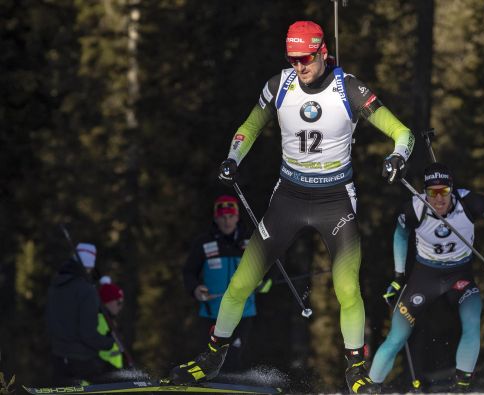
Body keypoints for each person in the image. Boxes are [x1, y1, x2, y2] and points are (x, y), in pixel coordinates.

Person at [170, 20, 414, 394]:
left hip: (335, 200)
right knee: (240, 284)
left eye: (306, 59)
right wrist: (233, 157)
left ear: (323, 53)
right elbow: (248, 127)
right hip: (289, 198)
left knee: (347, 287)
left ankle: (355, 370)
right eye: (293, 59)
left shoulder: (348, 87)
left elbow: (403, 133)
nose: (300, 67)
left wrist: (397, 156)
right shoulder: (278, 85)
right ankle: (212, 358)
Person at [368, 162, 484, 391]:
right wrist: (398, 277)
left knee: (472, 322)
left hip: (459, 275)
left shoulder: (470, 202)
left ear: (452, 190)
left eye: (444, 191)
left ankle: (461, 387)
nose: (439, 199)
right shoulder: (414, 208)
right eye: (432, 192)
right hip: (425, 276)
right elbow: (400, 235)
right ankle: (369, 388)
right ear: (425, 192)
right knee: (397, 336)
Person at [182, 195, 270, 372]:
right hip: (211, 313)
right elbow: (189, 272)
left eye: (230, 216)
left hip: (242, 313)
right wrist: (196, 289)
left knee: (232, 357)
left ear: (237, 217)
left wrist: (264, 282)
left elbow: (271, 263)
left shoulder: (251, 240)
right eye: (222, 217)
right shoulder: (204, 242)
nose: (227, 221)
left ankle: (233, 387)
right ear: (216, 218)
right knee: (211, 359)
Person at [46, 243, 115, 385]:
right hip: (82, 359)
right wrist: (108, 342)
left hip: (58, 357)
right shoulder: (86, 290)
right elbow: (88, 333)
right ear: (89, 265)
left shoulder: (55, 286)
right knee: (114, 380)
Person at [97, 277, 125, 370]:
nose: (120, 307)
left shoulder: (109, 321)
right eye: (119, 302)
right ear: (108, 302)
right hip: (101, 381)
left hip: (112, 378)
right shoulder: (100, 322)